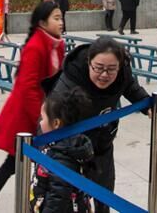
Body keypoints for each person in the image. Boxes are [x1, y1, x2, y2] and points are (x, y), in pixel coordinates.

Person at [0, 1, 66, 212]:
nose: (61, 22)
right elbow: (27, 86)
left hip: (45, 114)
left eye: (61, 18)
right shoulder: (35, 45)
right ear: (43, 22)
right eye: (56, 18)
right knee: (13, 163)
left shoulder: (57, 44)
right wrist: (42, 119)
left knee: (32, 164)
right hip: (26, 116)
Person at [50, 37, 149, 213]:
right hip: (72, 147)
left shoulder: (123, 74)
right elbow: (54, 113)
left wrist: (147, 104)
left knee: (104, 194)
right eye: (99, 68)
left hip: (103, 141)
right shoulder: (72, 75)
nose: (104, 75)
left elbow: (131, 88)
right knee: (74, 200)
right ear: (89, 62)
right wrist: (70, 144)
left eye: (111, 69)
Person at [30, 87, 94, 213]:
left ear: (56, 123)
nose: (40, 122)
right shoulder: (57, 145)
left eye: (42, 118)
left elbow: (57, 199)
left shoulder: (62, 158)